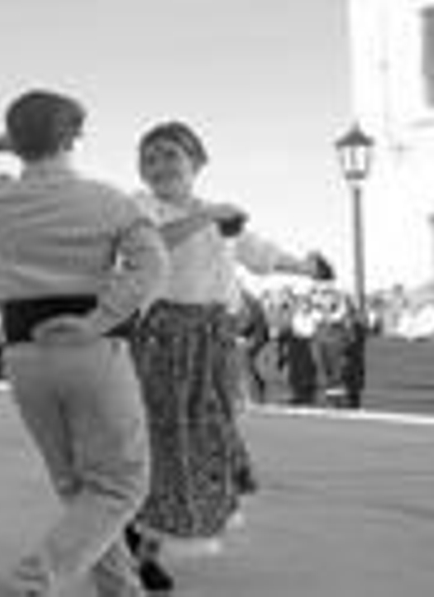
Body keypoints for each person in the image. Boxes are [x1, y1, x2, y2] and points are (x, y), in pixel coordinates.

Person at [0, 90, 168, 597]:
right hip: (92, 351)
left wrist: (1, 142)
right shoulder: (108, 201)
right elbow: (153, 265)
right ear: (74, 138)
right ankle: (30, 581)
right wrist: (99, 320)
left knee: (76, 485)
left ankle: (121, 589)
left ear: (16, 140)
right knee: (121, 485)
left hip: (23, 353)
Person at [124, 121, 335, 586]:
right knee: (162, 441)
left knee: (201, 443)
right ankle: (133, 545)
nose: (158, 165)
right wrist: (209, 216)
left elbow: (259, 253)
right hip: (164, 339)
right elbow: (152, 242)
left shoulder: (217, 216)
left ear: (196, 162)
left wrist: (307, 267)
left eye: (170, 154)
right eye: (149, 158)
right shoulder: (142, 206)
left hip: (211, 343)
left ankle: (145, 548)